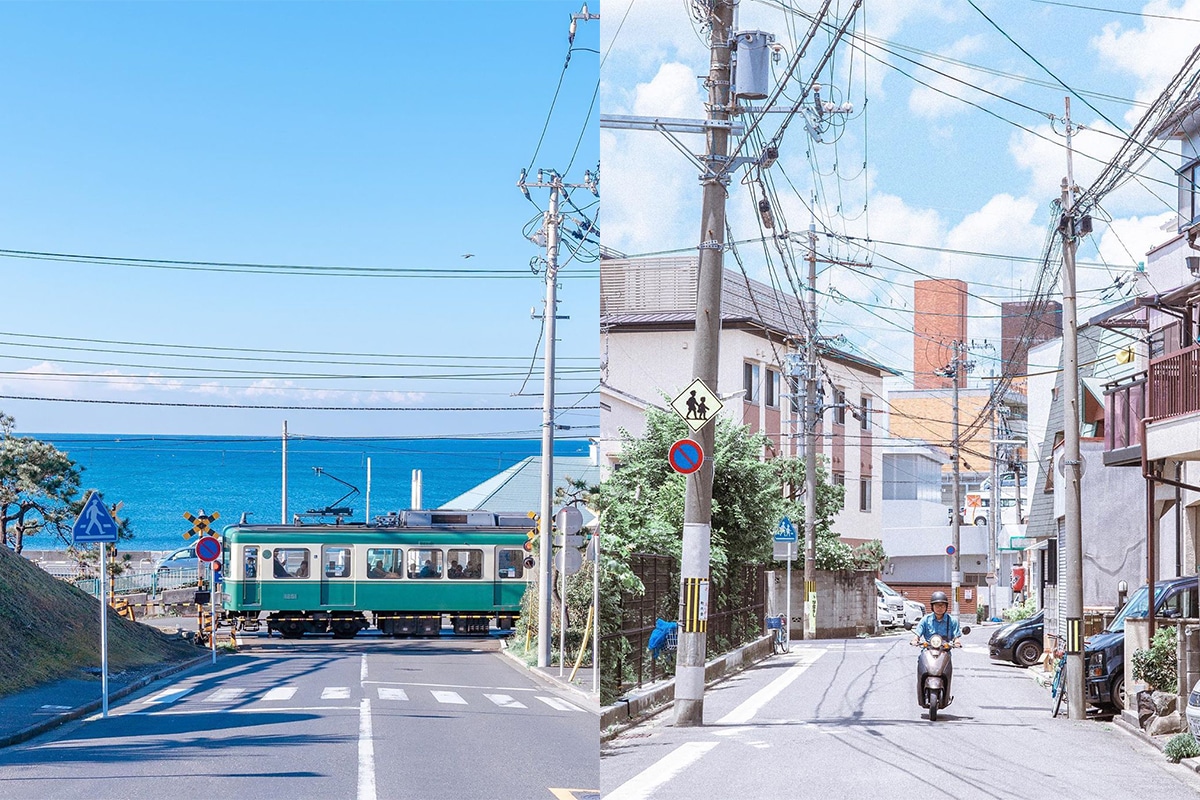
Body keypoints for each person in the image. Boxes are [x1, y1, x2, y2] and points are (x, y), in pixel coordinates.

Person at [913, 590, 962, 704]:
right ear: (932, 606)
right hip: (927, 651)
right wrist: (915, 639)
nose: (939, 608)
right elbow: (917, 633)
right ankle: (920, 692)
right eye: (937, 605)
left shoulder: (952, 621)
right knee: (921, 668)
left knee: (947, 671)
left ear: (946, 607)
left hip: (945, 652)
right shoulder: (926, 619)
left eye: (942, 605)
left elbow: (956, 636)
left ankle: (947, 694)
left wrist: (957, 642)